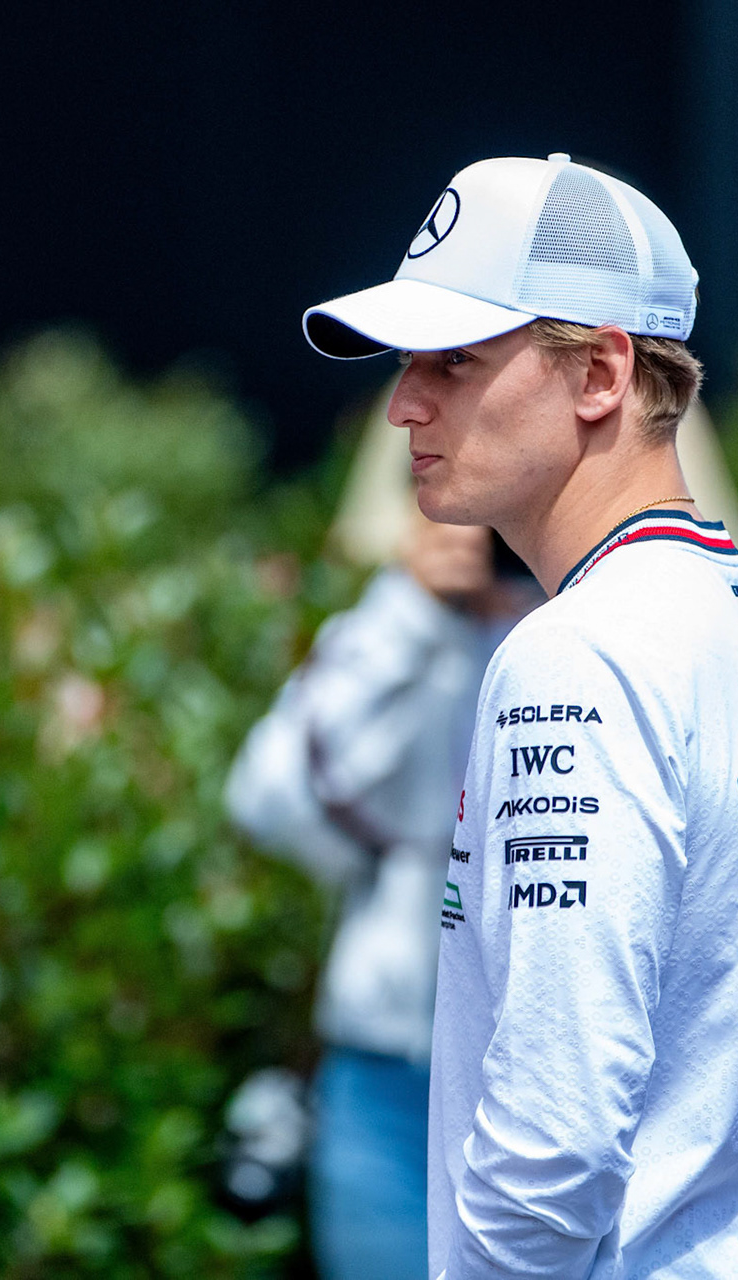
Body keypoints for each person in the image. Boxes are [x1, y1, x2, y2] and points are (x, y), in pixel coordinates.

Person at [301, 154, 738, 1278]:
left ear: (601, 372)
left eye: (454, 359)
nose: (405, 401)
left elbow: (553, 1137)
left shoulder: (572, 653)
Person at [226, 489, 539, 1279]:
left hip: (542, 1073)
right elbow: (265, 799)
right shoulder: (403, 630)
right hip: (387, 1078)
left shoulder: (598, 635)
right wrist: (411, 609)